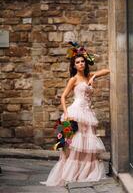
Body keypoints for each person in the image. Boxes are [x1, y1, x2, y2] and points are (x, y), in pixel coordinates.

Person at [40, 43, 110, 186]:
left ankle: (84, 172)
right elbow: (63, 96)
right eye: (77, 62)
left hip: (88, 113)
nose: (80, 64)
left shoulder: (88, 76)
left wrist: (94, 76)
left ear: (85, 62)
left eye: (82, 61)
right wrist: (66, 114)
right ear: (74, 65)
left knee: (86, 144)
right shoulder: (74, 79)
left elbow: (107, 70)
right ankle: (69, 174)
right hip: (75, 112)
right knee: (72, 144)